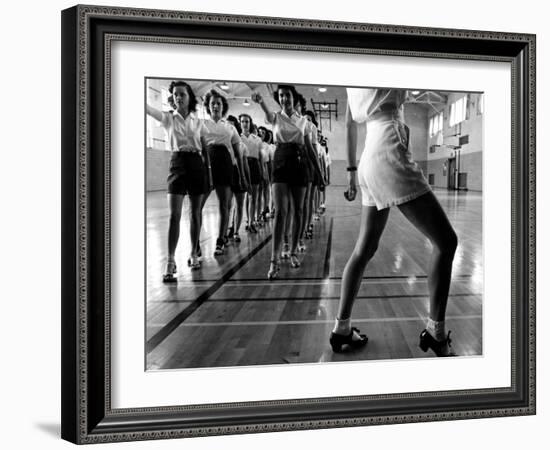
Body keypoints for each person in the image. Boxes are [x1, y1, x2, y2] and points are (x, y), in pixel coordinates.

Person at [330, 88, 458, 357]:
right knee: (446, 242)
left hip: (368, 156)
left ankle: (341, 328)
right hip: (388, 146)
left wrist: (352, 173)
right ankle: (436, 333)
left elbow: (350, 122)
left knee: (363, 250)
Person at [251, 85, 323, 278]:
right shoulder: (275, 117)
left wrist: (319, 173)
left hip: (300, 163)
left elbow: (310, 149)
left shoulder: (304, 122)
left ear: (294, 98)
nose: (284, 99)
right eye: (281, 96)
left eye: (287, 95)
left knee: (298, 210)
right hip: (281, 161)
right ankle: (274, 260)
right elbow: (267, 112)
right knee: (281, 211)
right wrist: (261, 103)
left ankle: (292, 252)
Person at [146, 80, 212, 280]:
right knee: (174, 215)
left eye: (182, 94)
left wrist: (209, 173)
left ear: (189, 97)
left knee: (195, 213)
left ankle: (193, 252)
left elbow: (206, 149)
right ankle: (171, 260)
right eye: (175, 94)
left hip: (196, 164)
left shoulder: (199, 122)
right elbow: (149, 110)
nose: (178, 97)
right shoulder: (168, 119)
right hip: (177, 163)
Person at [202, 90, 248, 255]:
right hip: (206, 165)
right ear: (207, 106)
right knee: (197, 207)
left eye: (218, 103)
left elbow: (238, 154)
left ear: (223, 107)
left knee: (224, 205)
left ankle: (220, 240)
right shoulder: (201, 125)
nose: (215, 106)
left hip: (225, 166)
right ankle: (195, 246)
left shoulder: (230, 128)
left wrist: (242, 177)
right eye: (212, 103)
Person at [239, 114, 264, 234]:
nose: (245, 124)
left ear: (250, 123)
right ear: (240, 123)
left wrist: (263, 172)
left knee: (253, 196)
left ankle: (251, 222)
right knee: (243, 197)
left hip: (254, 166)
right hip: (242, 166)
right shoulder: (237, 138)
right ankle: (246, 220)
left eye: (247, 121)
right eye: (243, 121)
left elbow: (260, 157)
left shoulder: (257, 139)